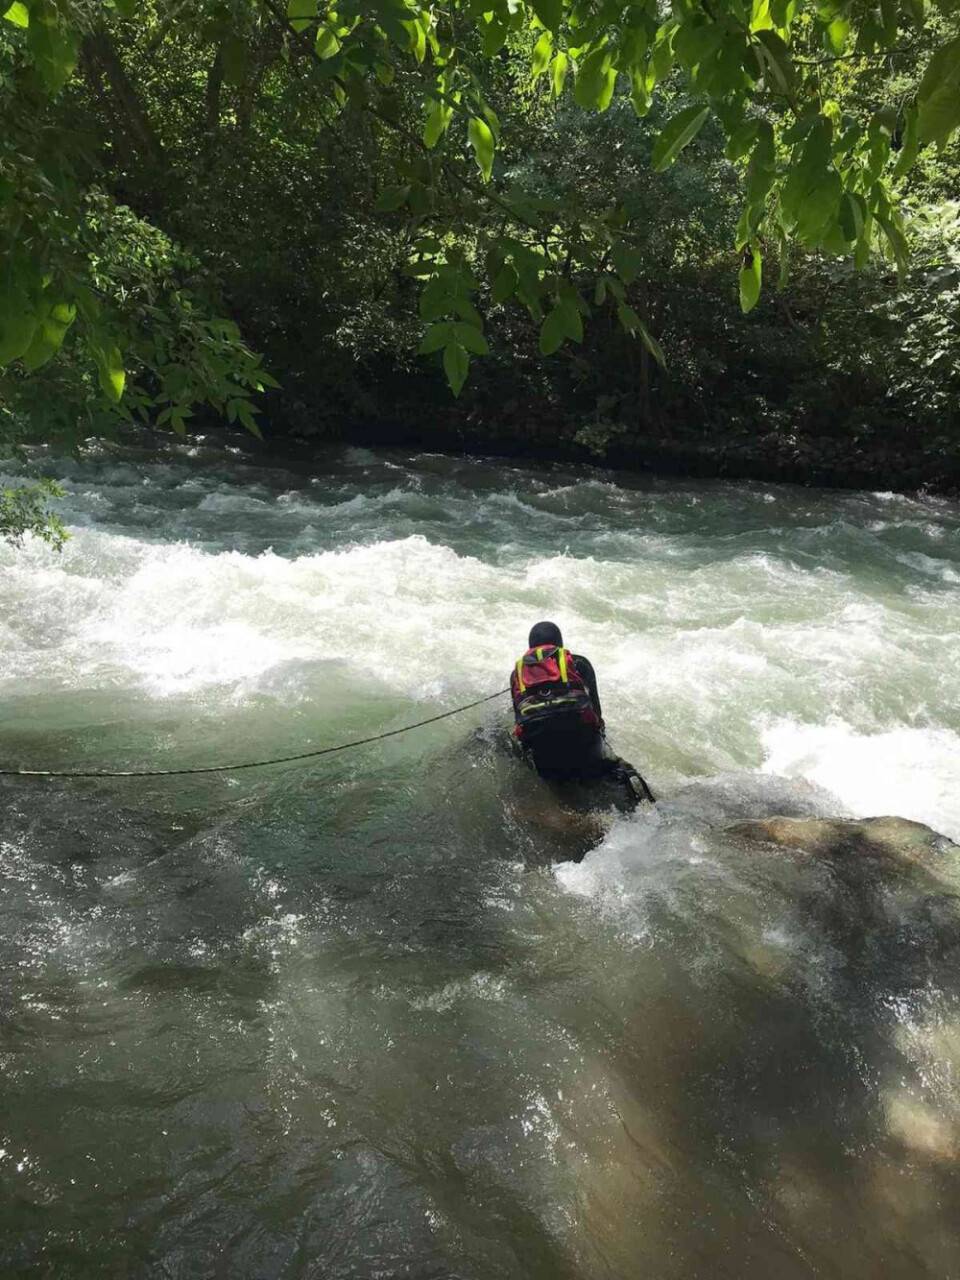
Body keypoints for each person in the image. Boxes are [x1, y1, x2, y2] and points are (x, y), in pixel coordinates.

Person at [509, 621, 654, 803]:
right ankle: (646, 805)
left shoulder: (517, 674)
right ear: (559, 644)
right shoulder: (578, 663)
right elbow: (597, 715)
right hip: (582, 745)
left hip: (544, 756)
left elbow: (519, 722)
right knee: (619, 771)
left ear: (530, 647)